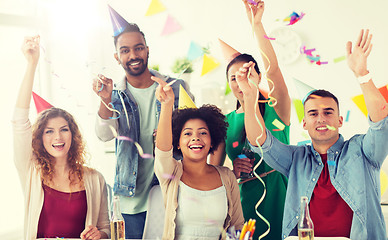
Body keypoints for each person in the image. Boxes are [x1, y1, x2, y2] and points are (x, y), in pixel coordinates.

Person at [238, 29, 388, 240]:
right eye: (313, 113)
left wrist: (362, 74)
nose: (321, 119)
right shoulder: (295, 158)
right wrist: (250, 95)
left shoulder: (363, 151)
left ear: (339, 120)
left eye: (328, 112)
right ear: (304, 123)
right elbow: (259, 141)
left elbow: (381, 121)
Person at [92, 23, 192, 239]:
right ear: (117, 57)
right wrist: (105, 100)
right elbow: (104, 135)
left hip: (172, 195)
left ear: (147, 50)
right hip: (130, 200)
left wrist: (171, 137)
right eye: (125, 50)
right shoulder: (114, 95)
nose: (133, 55)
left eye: (138, 48)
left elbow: (196, 134)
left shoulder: (175, 87)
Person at [13, 36, 110, 240]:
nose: (58, 136)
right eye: (49, 131)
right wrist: (32, 64)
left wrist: (99, 234)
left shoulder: (95, 179)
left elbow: (106, 228)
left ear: (73, 135)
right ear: (40, 138)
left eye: (64, 129)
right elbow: (19, 121)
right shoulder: (31, 172)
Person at [210, 1, 290, 239]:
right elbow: (212, 171)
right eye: (233, 78)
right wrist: (231, 171)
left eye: (246, 74)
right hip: (243, 205)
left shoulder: (278, 109)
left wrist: (257, 24)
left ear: (257, 76)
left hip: (281, 198)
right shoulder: (225, 122)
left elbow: (274, 70)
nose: (240, 82)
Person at [152, 76, 244, 240]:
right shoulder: (171, 172)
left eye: (203, 133)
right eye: (187, 133)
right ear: (178, 143)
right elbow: (162, 150)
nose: (196, 138)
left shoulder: (227, 177)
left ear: (211, 141)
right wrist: (167, 105)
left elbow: (237, 227)